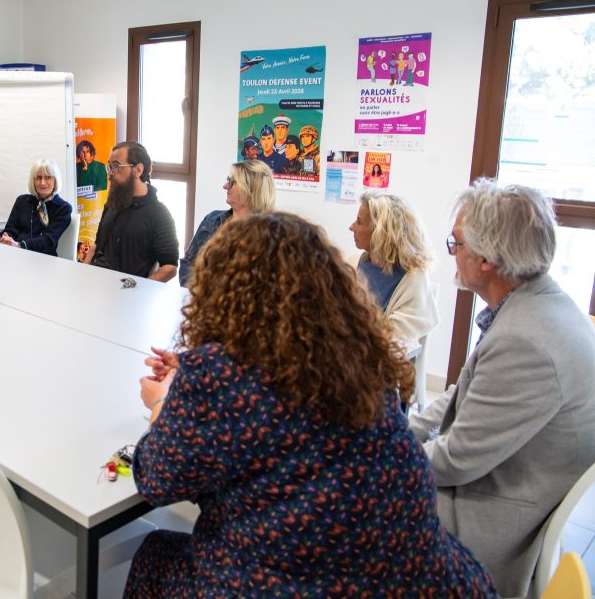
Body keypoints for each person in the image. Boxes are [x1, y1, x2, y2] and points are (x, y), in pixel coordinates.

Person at [125, 213, 496, 597]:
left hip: (305, 583)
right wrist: (192, 381)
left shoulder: (220, 375)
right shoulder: (364, 359)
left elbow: (156, 480)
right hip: (422, 576)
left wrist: (165, 401)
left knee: (156, 552)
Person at [409, 180, 595, 598]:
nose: (450, 251)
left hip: (497, 525)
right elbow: (459, 396)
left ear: (487, 259)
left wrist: (385, 458)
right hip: (509, 484)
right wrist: (404, 433)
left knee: (350, 506)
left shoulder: (525, 341)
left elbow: (455, 460)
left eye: (455, 242)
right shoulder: (537, 305)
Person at [348, 191, 438, 353]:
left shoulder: (413, 281)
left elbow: (392, 342)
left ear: (381, 233)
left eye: (359, 222)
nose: (351, 227)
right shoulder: (353, 262)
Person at [83, 141, 178, 282]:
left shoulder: (159, 215)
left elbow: (170, 267)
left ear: (138, 170)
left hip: (125, 291)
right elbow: (96, 245)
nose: (110, 173)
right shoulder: (112, 203)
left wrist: (138, 290)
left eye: (116, 166)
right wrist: (80, 274)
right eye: (109, 167)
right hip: (96, 283)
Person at [178, 159, 274, 287]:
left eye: (232, 182)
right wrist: (196, 291)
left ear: (251, 189)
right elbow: (188, 262)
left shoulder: (271, 235)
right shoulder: (211, 219)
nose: (225, 186)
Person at [0, 159, 72, 256]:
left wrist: (20, 245)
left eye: (47, 177)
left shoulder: (63, 208)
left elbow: (48, 240)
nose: (42, 182)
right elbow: (11, 229)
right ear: (33, 181)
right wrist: (6, 237)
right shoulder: (22, 201)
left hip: (44, 259)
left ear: (55, 180)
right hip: (16, 255)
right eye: (38, 178)